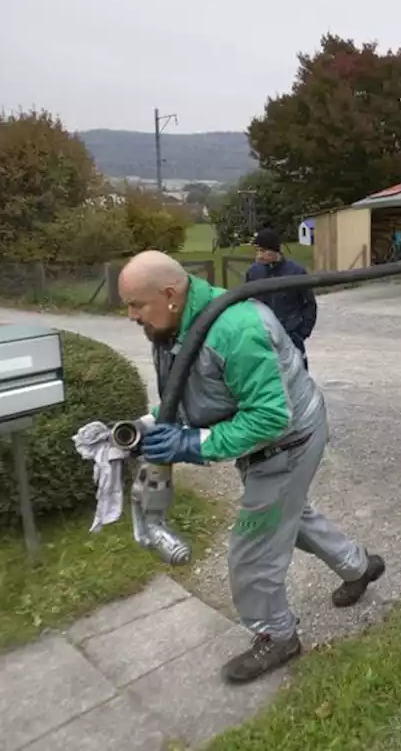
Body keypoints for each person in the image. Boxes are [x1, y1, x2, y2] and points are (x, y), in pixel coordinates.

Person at [117, 250, 385, 683]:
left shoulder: (235, 329)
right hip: (275, 440)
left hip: (287, 441)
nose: (130, 315)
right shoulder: (175, 328)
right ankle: (359, 566)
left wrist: (193, 442)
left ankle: (278, 636)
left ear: (169, 294)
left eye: (135, 304)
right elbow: (184, 394)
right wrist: (146, 426)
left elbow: (269, 417)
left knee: (253, 548)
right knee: (288, 515)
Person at [245, 228, 316, 370]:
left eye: (263, 251)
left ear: (275, 251)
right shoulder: (253, 272)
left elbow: (309, 304)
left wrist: (302, 332)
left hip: (291, 335)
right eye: (257, 251)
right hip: (263, 337)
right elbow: (247, 303)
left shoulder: (296, 272)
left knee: (297, 377)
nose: (259, 256)